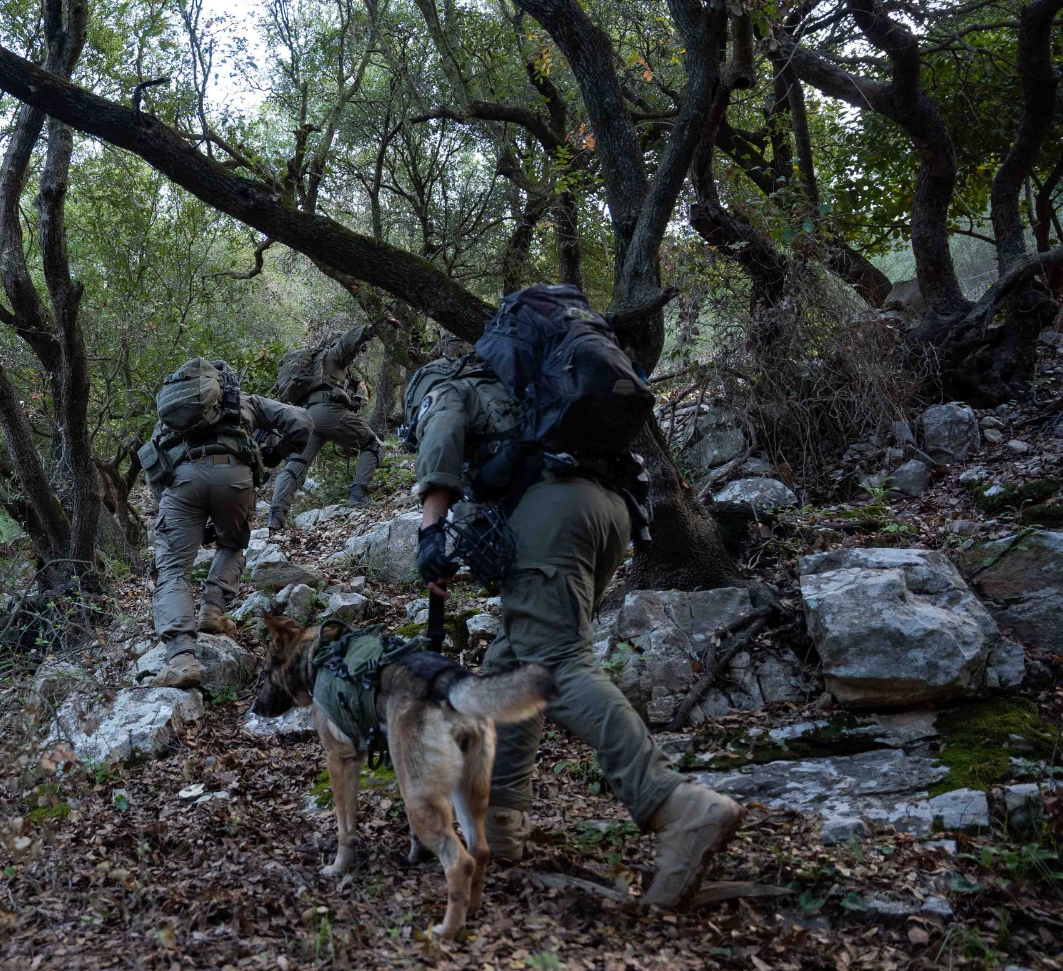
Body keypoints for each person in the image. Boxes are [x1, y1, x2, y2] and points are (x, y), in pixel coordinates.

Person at [407, 308, 743, 911]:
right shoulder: (535, 382)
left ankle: (677, 805)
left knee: (556, 661)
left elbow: (441, 436)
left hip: (551, 512)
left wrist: (431, 532)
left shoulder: (450, 383)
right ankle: (500, 822)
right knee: (513, 660)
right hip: (609, 511)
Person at [142, 358, 312, 690]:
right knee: (231, 543)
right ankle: (212, 611)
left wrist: (176, 508)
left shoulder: (171, 416)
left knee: (174, 569)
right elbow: (302, 423)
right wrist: (273, 455)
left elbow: (153, 466)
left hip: (182, 483)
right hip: (236, 478)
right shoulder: (246, 403)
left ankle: (180, 660)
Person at [267, 324, 383, 530]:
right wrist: (368, 331)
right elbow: (348, 343)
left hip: (305, 417)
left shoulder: (315, 367)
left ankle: (275, 517)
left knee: (296, 465)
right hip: (327, 413)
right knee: (373, 444)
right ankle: (358, 496)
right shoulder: (333, 355)